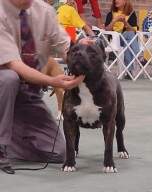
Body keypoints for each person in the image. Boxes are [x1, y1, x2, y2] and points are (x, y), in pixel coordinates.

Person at [0, 0, 94, 174]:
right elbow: (14, 64)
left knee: (59, 152)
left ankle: (9, 136)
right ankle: (1, 144)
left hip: (28, 94)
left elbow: (66, 47)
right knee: (9, 78)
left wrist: (81, 53)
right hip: (4, 84)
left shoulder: (45, 12)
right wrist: (52, 81)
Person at [105, 0, 140, 79]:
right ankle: (139, 56)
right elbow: (107, 30)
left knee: (128, 39)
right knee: (129, 36)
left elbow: (134, 30)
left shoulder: (131, 14)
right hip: (115, 40)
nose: (116, 1)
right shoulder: (111, 14)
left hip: (126, 40)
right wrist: (114, 20)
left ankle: (129, 71)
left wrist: (125, 22)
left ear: (125, 1)